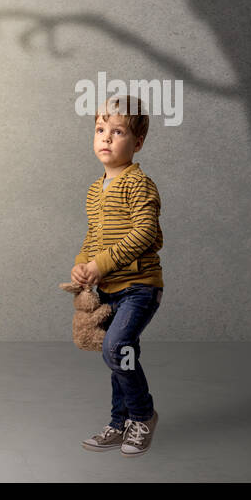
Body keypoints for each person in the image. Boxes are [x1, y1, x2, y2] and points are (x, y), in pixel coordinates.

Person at [71, 93, 164, 456]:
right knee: (119, 357)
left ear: (137, 142)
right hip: (108, 289)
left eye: (118, 130)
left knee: (115, 349)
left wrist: (102, 264)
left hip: (139, 287)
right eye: (99, 129)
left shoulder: (139, 183)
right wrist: (83, 263)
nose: (106, 137)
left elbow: (143, 233)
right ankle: (119, 421)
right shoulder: (96, 190)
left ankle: (142, 415)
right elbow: (92, 236)